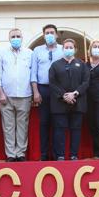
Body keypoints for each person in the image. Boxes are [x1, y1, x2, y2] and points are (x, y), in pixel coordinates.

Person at [0, 28, 33, 162]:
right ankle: (11, 154)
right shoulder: (2, 54)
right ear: (9, 39)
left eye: (18, 36)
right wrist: (1, 94)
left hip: (25, 95)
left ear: (22, 38)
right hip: (6, 96)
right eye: (13, 36)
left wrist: (34, 93)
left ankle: (20, 153)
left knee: (22, 126)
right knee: (8, 126)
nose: (16, 38)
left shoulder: (29, 53)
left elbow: (33, 75)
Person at [49, 39, 90, 161]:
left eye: (71, 47)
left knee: (76, 130)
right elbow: (52, 82)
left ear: (75, 49)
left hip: (78, 103)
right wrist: (64, 96)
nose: (68, 49)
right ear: (63, 49)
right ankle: (60, 155)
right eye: (66, 47)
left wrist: (75, 94)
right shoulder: (55, 65)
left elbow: (86, 81)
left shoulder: (81, 64)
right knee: (59, 130)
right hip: (60, 104)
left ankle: (74, 155)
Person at [31, 24, 64, 161]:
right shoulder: (37, 51)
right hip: (43, 89)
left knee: (58, 123)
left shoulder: (63, 49)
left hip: (59, 91)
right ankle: (44, 155)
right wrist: (35, 92)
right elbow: (33, 73)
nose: (49, 35)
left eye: (52, 32)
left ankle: (59, 155)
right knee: (44, 123)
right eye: (47, 33)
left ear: (56, 35)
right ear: (43, 35)